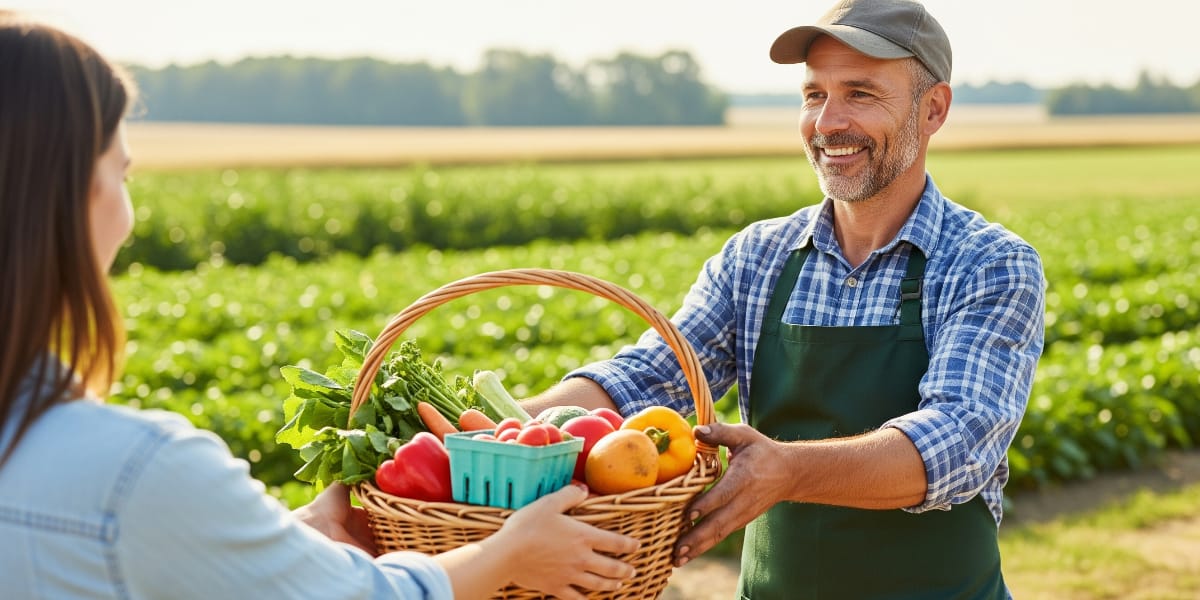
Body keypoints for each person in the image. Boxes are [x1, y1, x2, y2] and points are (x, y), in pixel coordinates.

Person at [0, 13, 639, 600]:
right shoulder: (138, 471)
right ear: (70, 196)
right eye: (124, 173)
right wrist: (509, 555)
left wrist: (288, 536)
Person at [524, 0, 1046, 597]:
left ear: (933, 110)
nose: (827, 123)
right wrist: (503, 425)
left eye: (860, 93)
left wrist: (787, 470)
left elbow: (957, 442)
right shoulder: (758, 257)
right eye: (814, 95)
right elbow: (647, 378)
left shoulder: (987, 262)